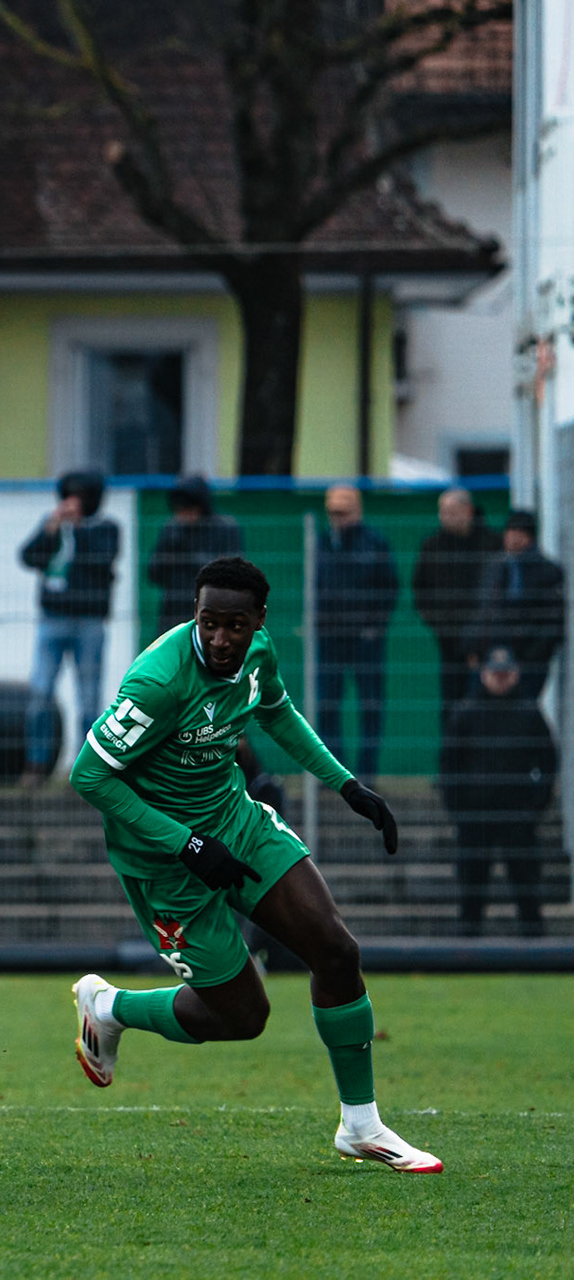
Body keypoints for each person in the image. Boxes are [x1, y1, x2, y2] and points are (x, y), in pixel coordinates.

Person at [68, 555, 440, 1174]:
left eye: (235, 625)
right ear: (195, 614)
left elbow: (276, 711)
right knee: (243, 1017)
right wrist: (185, 843)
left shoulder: (259, 652)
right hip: (163, 859)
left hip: (234, 821)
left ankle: (361, 1126)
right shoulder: (159, 681)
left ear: (258, 621)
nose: (220, 638)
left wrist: (346, 785)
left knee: (336, 950)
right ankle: (109, 1009)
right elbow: (90, 775)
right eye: (208, 623)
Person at [441, 646, 558, 938]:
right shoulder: (465, 714)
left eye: (506, 674)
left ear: (516, 675)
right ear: (484, 674)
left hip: (518, 815)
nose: (501, 679)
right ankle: (466, 952)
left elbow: (548, 762)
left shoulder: (529, 713)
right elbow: (449, 766)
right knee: (471, 890)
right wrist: (460, 810)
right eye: (496, 673)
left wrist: (534, 806)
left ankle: (536, 952)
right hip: (475, 816)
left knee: (527, 888)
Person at [18, 471, 120, 785]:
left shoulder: (106, 528)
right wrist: (51, 528)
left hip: (89, 622)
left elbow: (102, 560)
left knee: (89, 699)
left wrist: (77, 530)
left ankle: (85, 766)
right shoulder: (54, 525)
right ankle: (37, 764)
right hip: (52, 619)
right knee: (40, 694)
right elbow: (28, 557)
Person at [314, 484, 400, 782]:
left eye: (343, 512)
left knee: (371, 706)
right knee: (326, 705)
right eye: (334, 512)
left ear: (357, 511)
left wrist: (373, 627)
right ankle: (336, 774)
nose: (338, 518)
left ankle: (367, 774)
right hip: (330, 637)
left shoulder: (374, 543)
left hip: (365, 640)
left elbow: (390, 587)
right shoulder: (323, 543)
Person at [412, 487, 501, 719]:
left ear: (468, 511)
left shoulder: (491, 544)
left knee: (487, 704)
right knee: (451, 703)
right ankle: (453, 754)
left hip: (486, 640)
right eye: (443, 511)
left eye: (452, 511)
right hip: (448, 639)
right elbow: (420, 590)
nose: (446, 516)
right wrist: (441, 626)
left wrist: (478, 633)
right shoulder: (432, 546)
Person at [470, 510, 565, 701]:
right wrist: (474, 646)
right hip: (492, 653)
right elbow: (482, 610)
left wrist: (535, 654)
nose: (513, 540)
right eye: (510, 533)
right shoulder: (494, 567)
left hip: (530, 658)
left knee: (522, 708)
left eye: (519, 534)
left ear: (530, 538)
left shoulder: (547, 572)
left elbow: (552, 619)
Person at [146, 475, 242, 636]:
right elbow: (153, 573)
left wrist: (189, 558)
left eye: (189, 507)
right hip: (174, 611)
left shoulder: (224, 528)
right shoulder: (172, 529)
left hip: (212, 611)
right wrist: (172, 551)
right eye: (179, 508)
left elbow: (233, 572)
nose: (184, 513)